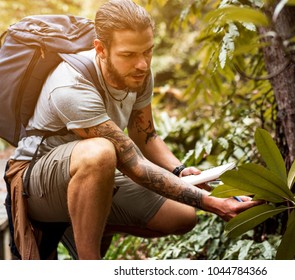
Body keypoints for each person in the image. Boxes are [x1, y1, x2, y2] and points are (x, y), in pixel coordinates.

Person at [5, 0, 260, 260]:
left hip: (93, 174)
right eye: (129, 55)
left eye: (147, 52)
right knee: (101, 152)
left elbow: (145, 135)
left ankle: (81, 220)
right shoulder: (70, 83)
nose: (142, 64)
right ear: (101, 49)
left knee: (182, 216)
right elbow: (133, 162)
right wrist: (212, 203)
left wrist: (180, 171)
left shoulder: (139, 73)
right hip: (34, 181)